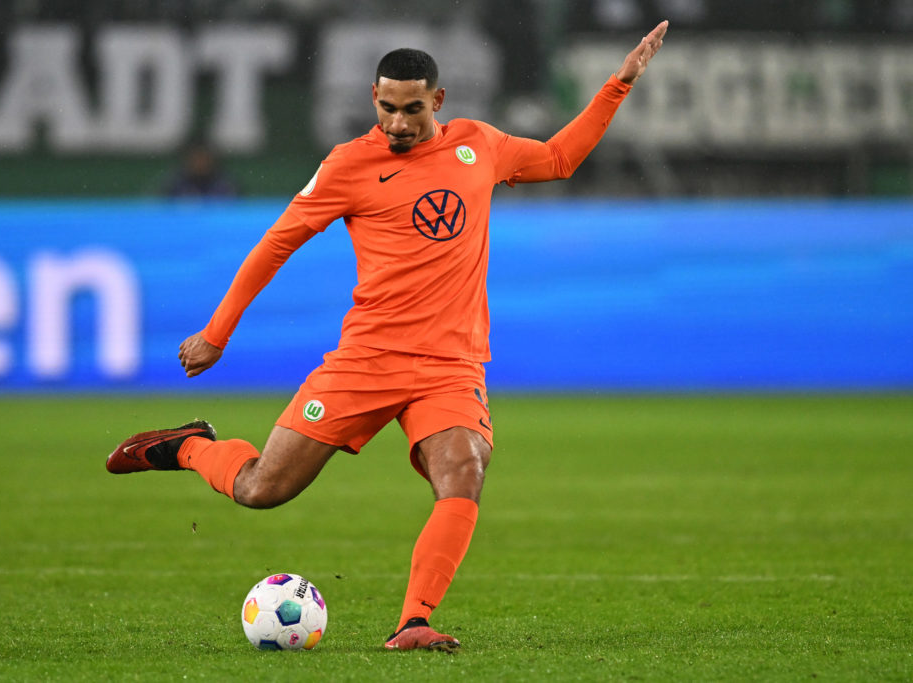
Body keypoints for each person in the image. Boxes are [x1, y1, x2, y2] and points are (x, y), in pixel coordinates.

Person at [107, 20, 668, 652]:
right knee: (262, 489)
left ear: (439, 101)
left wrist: (619, 84)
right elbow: (277, 244)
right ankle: (189, 447)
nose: (398, 123)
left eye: (412, 110)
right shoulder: (348, 164)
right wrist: (217, 332)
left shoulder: (479, 146)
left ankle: (414, 621)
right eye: (386, 108)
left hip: (450, 366)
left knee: (464, 470)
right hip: (367, 361)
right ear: (374, 97)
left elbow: (560, 158)